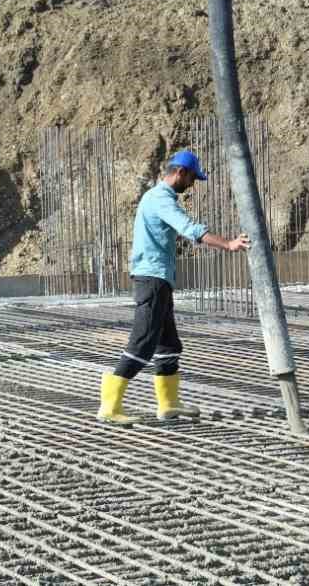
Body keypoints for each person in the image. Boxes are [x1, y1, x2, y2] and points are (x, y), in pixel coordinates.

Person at [97, 150, 248, 425]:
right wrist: (228, 244)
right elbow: (189, 228)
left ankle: (168, 404)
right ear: (180, 172)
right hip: (152, 280)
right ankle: (110, 405)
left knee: (169, 345)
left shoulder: (157, 197)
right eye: (192, 178)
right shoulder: (160, 199)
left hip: (159, 279)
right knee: (142, 343)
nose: (192, 184)